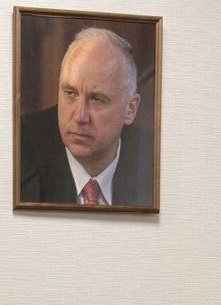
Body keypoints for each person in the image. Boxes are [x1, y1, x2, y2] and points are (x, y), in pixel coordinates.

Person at [19, 27, 154, 207]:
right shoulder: (18, 149)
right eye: (70, 93)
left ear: (130, 109)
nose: (80, 116)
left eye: (96, 99)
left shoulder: (155, 161)